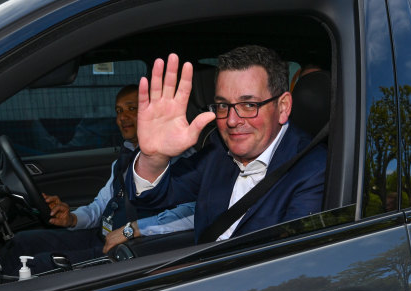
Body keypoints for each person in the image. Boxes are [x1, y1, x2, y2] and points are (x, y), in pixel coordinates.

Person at [126, 45, 327, 243]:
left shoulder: (314, 169)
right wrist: (154, 158)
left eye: (249, 105)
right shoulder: (218, 149)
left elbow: (291, 260)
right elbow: (151, 198)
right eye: (223, 105)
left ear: (283, 107)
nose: (231, 121)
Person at [0, 85, 195, 276]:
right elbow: (100, 206)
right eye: (119, 111)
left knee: (35, 265)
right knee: (21, 242)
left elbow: (193, 212)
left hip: (130, 250)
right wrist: (72, 219)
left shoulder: (178, 157)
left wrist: (131, 230)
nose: (122, 117)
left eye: (132, 108)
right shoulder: (124, 159)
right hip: (101, 236)